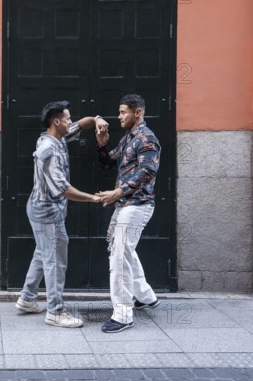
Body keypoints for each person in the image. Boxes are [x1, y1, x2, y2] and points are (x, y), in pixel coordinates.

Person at [16, 101, 108, 328]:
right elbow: (63, 189)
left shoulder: (57, 136)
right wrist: (93, 198)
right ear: (56, 122)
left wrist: (97, 120)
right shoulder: (50, 151)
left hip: (41, 208)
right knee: (55, 260)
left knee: (43, 252)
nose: (71, 121)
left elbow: (83, 124)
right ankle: (55, 312)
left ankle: (27, 298)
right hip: (47, 211)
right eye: (67, 118)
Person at [95, 94, 161, 333]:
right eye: (120, 111)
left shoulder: (147, 139)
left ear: (138, 112)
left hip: (137, 205)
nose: (119, 116)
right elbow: (107, 163)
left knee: (119, 258)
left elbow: (146, 172)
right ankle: (145, 295)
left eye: (123, 112)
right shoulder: (128, 139)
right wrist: (102, 143)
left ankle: (123, 315)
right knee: (123, 250)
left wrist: (117, 192)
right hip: (125, 204)